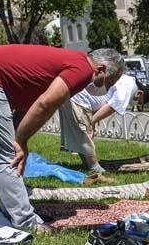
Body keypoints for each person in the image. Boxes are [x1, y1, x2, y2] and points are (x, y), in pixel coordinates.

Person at [0, 45, 122, 231]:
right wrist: (21, 141)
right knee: (7, 156)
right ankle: (26, 222)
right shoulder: (83, 69)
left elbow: (30, 100)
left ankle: (11, 212)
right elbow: (45, 104)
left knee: (4, 153)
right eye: (110, 82)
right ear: (101, 69)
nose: (108, 88)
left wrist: (17, 136)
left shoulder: (76, 62)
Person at [57, 52, 134, 180]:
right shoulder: (129, 83)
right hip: (79, 100)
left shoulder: (124, 80)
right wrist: (92, 122)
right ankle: (94, 167)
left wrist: (92, 120)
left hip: (75, 96)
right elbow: (112, 106)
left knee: (81, 134)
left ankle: (88, 164)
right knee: (83, 134)